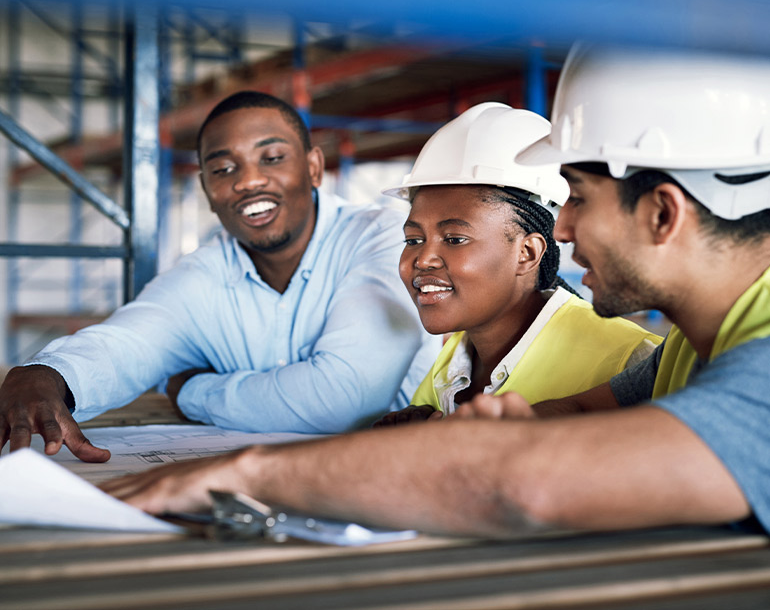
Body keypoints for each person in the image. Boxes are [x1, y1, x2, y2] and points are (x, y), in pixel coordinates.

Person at [103, 44, 770, 538]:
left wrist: (249, 475)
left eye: (580, 199)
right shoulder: (684, 351)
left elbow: (529, 484)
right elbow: (565, 417)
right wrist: (459, 430)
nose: (562, 229)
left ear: (662, 213)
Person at [0, 91, 439, 462]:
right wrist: (47, 374)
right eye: (224, 169)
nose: (248, 181)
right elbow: (127, 343)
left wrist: (193, 391)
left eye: (272, 158)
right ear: (208, 191)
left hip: (402, 472)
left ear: (313, 167)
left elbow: (342, 399)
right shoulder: (203, 274)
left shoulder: (386, 236)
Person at [373, 102, 660, 426]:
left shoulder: (629, 359)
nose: (423, 259)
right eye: (413, 240)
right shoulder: (455, 359)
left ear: (527, 253)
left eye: (454, 239)